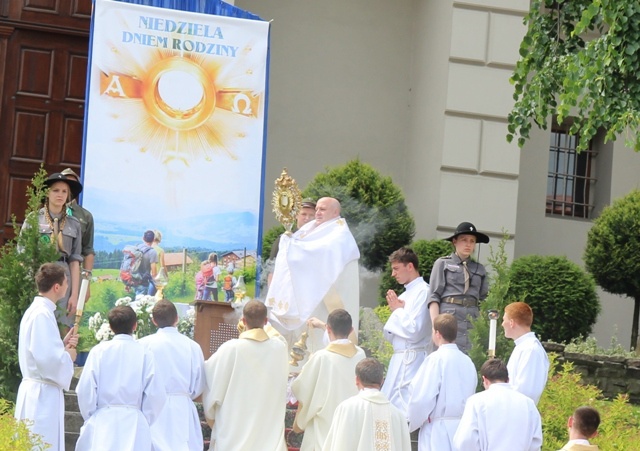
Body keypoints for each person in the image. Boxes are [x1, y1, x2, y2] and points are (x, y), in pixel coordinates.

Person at [266, 197, 360, 351]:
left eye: (322, 209)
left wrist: (291, 246)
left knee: (319, 346)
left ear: (335, 212)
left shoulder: (339, 233)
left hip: (328, 297)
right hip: (310, 294)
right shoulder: (314, 229)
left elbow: (314, 256)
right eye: (317, 209)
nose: (317, 213)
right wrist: (287, 241)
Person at [75, 305, 166, 451]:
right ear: (135, 325)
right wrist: (144, 418)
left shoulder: (99, 351)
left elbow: (86, 389)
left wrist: (91, 416)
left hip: (103, 421)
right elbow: (156, 394)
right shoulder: (144, 353)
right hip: (134, 423)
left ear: (110, 327)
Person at [203, 300, 288, 451]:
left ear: (243, 320)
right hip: (267, 440)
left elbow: (208, 381)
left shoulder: (230, 349)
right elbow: (279, 337)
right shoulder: (279, 349)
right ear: (266, 321)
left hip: (233, 438)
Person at [14, 263, 78, 451]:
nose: (68, 287)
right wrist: (68, 355)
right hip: (41, 396)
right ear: (56, 287)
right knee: (40, 444)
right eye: (66, 283)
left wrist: (61, 344)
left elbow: (43, 350)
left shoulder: (38, 311)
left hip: (36, 390)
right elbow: (49, 362)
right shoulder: (42, 314)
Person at [291, 309, 366, 450]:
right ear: (351, 330)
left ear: (328, 328)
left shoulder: (321, 357)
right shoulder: (360, 355)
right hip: (351, 424)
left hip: (325, 425)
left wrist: (307, 368)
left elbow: (301, 387)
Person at [138, 300, 206, 451]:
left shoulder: (143, 345)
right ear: (177, 318)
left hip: (152, 406)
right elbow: (200, 383)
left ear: (154, 321)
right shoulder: (192, 346)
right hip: (182, 407)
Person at [22, 172, 84, 330]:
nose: (60, 195)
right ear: (47, 193)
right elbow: (25, 255)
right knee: (40, 323)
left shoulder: (74, 224)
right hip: (40, 275)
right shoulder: (34, 219)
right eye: (56, 190)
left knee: (61, 327)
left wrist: (74, 294)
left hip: (64, 277)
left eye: (64, 191)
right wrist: (29, 284)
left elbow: (75, 261)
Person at [407, 313, 477, 451]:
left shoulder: (435, 360)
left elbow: (422, 398)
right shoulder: (467, 361)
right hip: (463, 429)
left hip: (438, 432)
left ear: (437, 333)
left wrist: (412, 422)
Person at [381, 247, 431, 414]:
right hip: (399, 358)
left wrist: (398, 311)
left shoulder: (424, 292)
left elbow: (414, 331)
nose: (393, 274)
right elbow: (390, 335)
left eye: (396, 269)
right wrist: (398, 311)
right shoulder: (404, 295)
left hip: (413, 360)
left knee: (404, 409)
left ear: (410, 266)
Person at [322, 358, 411, 451]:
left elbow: (338, 445)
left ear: (357, 380)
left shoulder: (347, 408)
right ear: (382, 381)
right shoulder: (398, 415)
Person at [453, 359, 542, 451]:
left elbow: (465, 441)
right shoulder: (528, 404)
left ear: (485, 379)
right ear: (507, 380)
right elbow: (535, 442)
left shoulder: (476, 401)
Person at [428, 221, 490, 353]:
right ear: (454, 241)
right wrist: (435, 327)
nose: (468, 244)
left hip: (471, 321)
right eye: (464, 240)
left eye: (472, 241)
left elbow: (484, 300)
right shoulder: (442, 263)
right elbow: (433, 297)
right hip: (448, 319)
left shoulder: (479, 269)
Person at [503, 301, 549, 404]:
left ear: (511, 323)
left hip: (520, 413)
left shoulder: (530, 349)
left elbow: (525, 391)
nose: (502, 324)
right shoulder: (523, 347)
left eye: (503, 320)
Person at [61, 167, 95, 300]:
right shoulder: (46, 212)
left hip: (75, 269)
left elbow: (88, 250)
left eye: (72, 185)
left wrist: (86, 283)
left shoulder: (85, 216)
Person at [267, 198, 316, 286]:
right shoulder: (285, 239)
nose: (307, 218)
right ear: (296, 215)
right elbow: (272, 269)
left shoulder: (319, 239)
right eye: (303, 214)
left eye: (311, 215)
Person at [131, 230, 158, 296]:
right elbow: (154, 273)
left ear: (143, 238)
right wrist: (157, 285)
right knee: (141, 303)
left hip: (134, 280)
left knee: (138, 300)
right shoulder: (152, 252)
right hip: (143, 282)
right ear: (153, 240)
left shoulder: (136, 248)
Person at [148, 230, 166, 296]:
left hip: (145, 275)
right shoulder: (160, 250)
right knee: (157, 296)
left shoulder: (147, 248)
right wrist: (166, 275)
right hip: (156, 276)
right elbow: (162, 266)